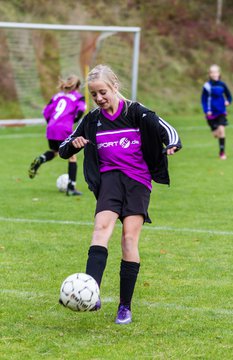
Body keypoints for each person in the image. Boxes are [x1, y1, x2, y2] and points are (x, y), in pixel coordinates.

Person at [59, 64, 182, 324]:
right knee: (100, 230)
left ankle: (125, 306)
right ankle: (92, 291)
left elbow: (168, 130)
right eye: (94, 95)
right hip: (109, 181)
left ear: (114, 86)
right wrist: (74, 144)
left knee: (128, 239)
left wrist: (172, 144)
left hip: (137, 182)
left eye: (103, 92)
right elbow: (64, 147)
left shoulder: (137, 112)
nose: (99, 98)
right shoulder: (92, 119)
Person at [28, 74, 86, 195]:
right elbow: (80, 111)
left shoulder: (57, 96)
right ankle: (71, 188)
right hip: (64, 128)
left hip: (51, 127)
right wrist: (73, 121)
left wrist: (52, 124)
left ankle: (40, 159)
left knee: (55, 151)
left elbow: (45, 111)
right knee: (72, 156)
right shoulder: (78, 97)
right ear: (78, 86)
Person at [201, 64, 232, 160]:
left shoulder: (222, 85)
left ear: (219, 73)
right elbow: (203, 100)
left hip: (221, 111)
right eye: (212, 72)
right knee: (216, 135)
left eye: (216, 72)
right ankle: (214, 130)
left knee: (222, 131)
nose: (214, 74)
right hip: (211, 113)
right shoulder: (207, 86)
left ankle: (222, 153)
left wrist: (228, 101)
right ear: (209, 74)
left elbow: (229, 96)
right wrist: (207, 110)